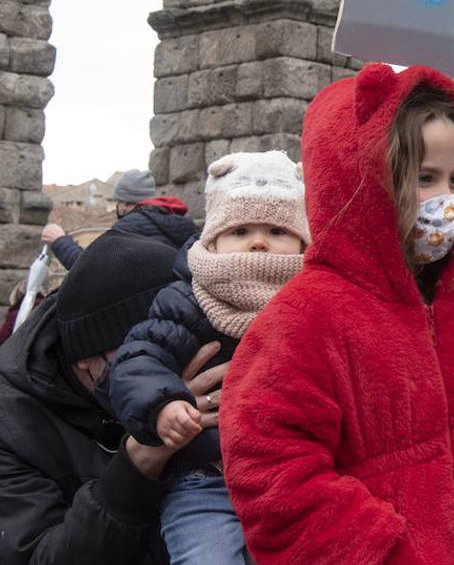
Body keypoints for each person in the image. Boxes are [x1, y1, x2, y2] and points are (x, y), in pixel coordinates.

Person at [219, 65, 454, 564]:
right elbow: (274, 474)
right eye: (424, 178)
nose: (446, 201)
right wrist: (391, 552)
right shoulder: (304, 319)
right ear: (358, 178)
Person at [109, 151, 309, 565]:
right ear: (214, 239)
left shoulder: (315, 301)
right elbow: (140, 358)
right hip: (206, 478)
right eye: (240, 229)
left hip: (297, 475)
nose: (258, 241)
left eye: (276, 229)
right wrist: (163, 405)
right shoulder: (190, 299)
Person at [0, 230, 229, 565]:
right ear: (85, 358)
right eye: (138, 353)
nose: (167, 370)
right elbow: (36, 556)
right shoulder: (11, 423)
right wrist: (144, 453)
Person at [40, 169, 198, 271]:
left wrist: (59, 241)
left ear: (126, 204)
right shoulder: (176, 224)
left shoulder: (129, 227)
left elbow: (89, 269)